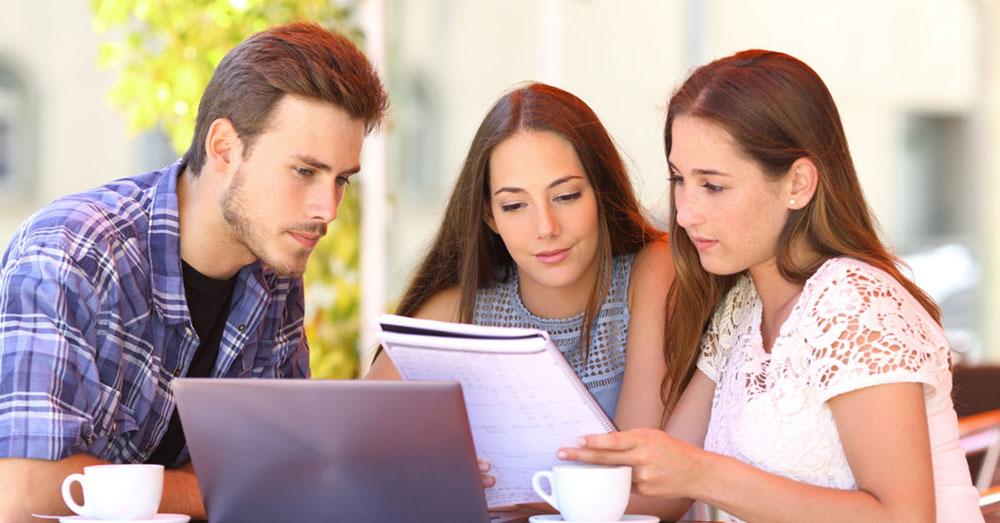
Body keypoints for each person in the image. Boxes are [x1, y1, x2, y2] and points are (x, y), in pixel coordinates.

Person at [560, 49, 983, 522]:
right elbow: (666, 491)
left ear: (798, 183)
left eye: (713, 186)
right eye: (679, 180)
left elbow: (904, 518)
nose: (685, 212)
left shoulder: (856, 302)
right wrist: (505, 487)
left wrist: (703, 474)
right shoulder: (743, 306)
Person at [0, 22, 387, 521]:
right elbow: (23, 494)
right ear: (224, 148)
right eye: (305, 172)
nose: (327, 209)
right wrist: (215, 490)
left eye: (341, 181)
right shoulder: (75, 253)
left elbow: (282, 471)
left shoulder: (274, 266)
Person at [366, 82, 678, 516]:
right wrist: (429, 479)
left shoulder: (653, 273)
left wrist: (498, 502)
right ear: (489, 217)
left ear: (601, 193)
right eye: (515, 206)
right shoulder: (458, 312)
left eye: (566, 196)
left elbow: (636, 483)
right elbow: (355, 456)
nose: (545, 227)